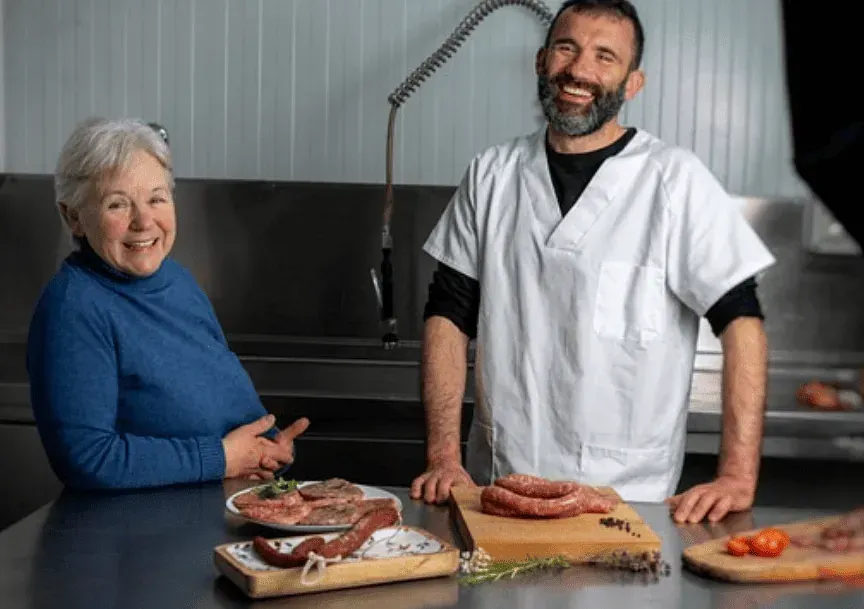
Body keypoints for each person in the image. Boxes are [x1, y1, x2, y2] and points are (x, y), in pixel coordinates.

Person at [409, 0, 777, 524]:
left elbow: (741, 321)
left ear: (633, 83)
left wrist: (738, 474)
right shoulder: (492, 175)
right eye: (567, 48)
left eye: (605, 56)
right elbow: (448, 314)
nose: (580, 70)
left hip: (628, 497)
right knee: (495, 583)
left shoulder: (673, 180)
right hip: (498, 487)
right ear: (542, 62)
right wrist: (443, 456)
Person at [26, 117, 309, 491]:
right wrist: (222, 458)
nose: (144, 221)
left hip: (212, 507)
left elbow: (221, 399)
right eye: (117, 204)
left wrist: (268, 447)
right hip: (134, 525)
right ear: (73, 216)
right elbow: (87, 458)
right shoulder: (73, 308)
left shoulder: (178, 281)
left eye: (157, 199)